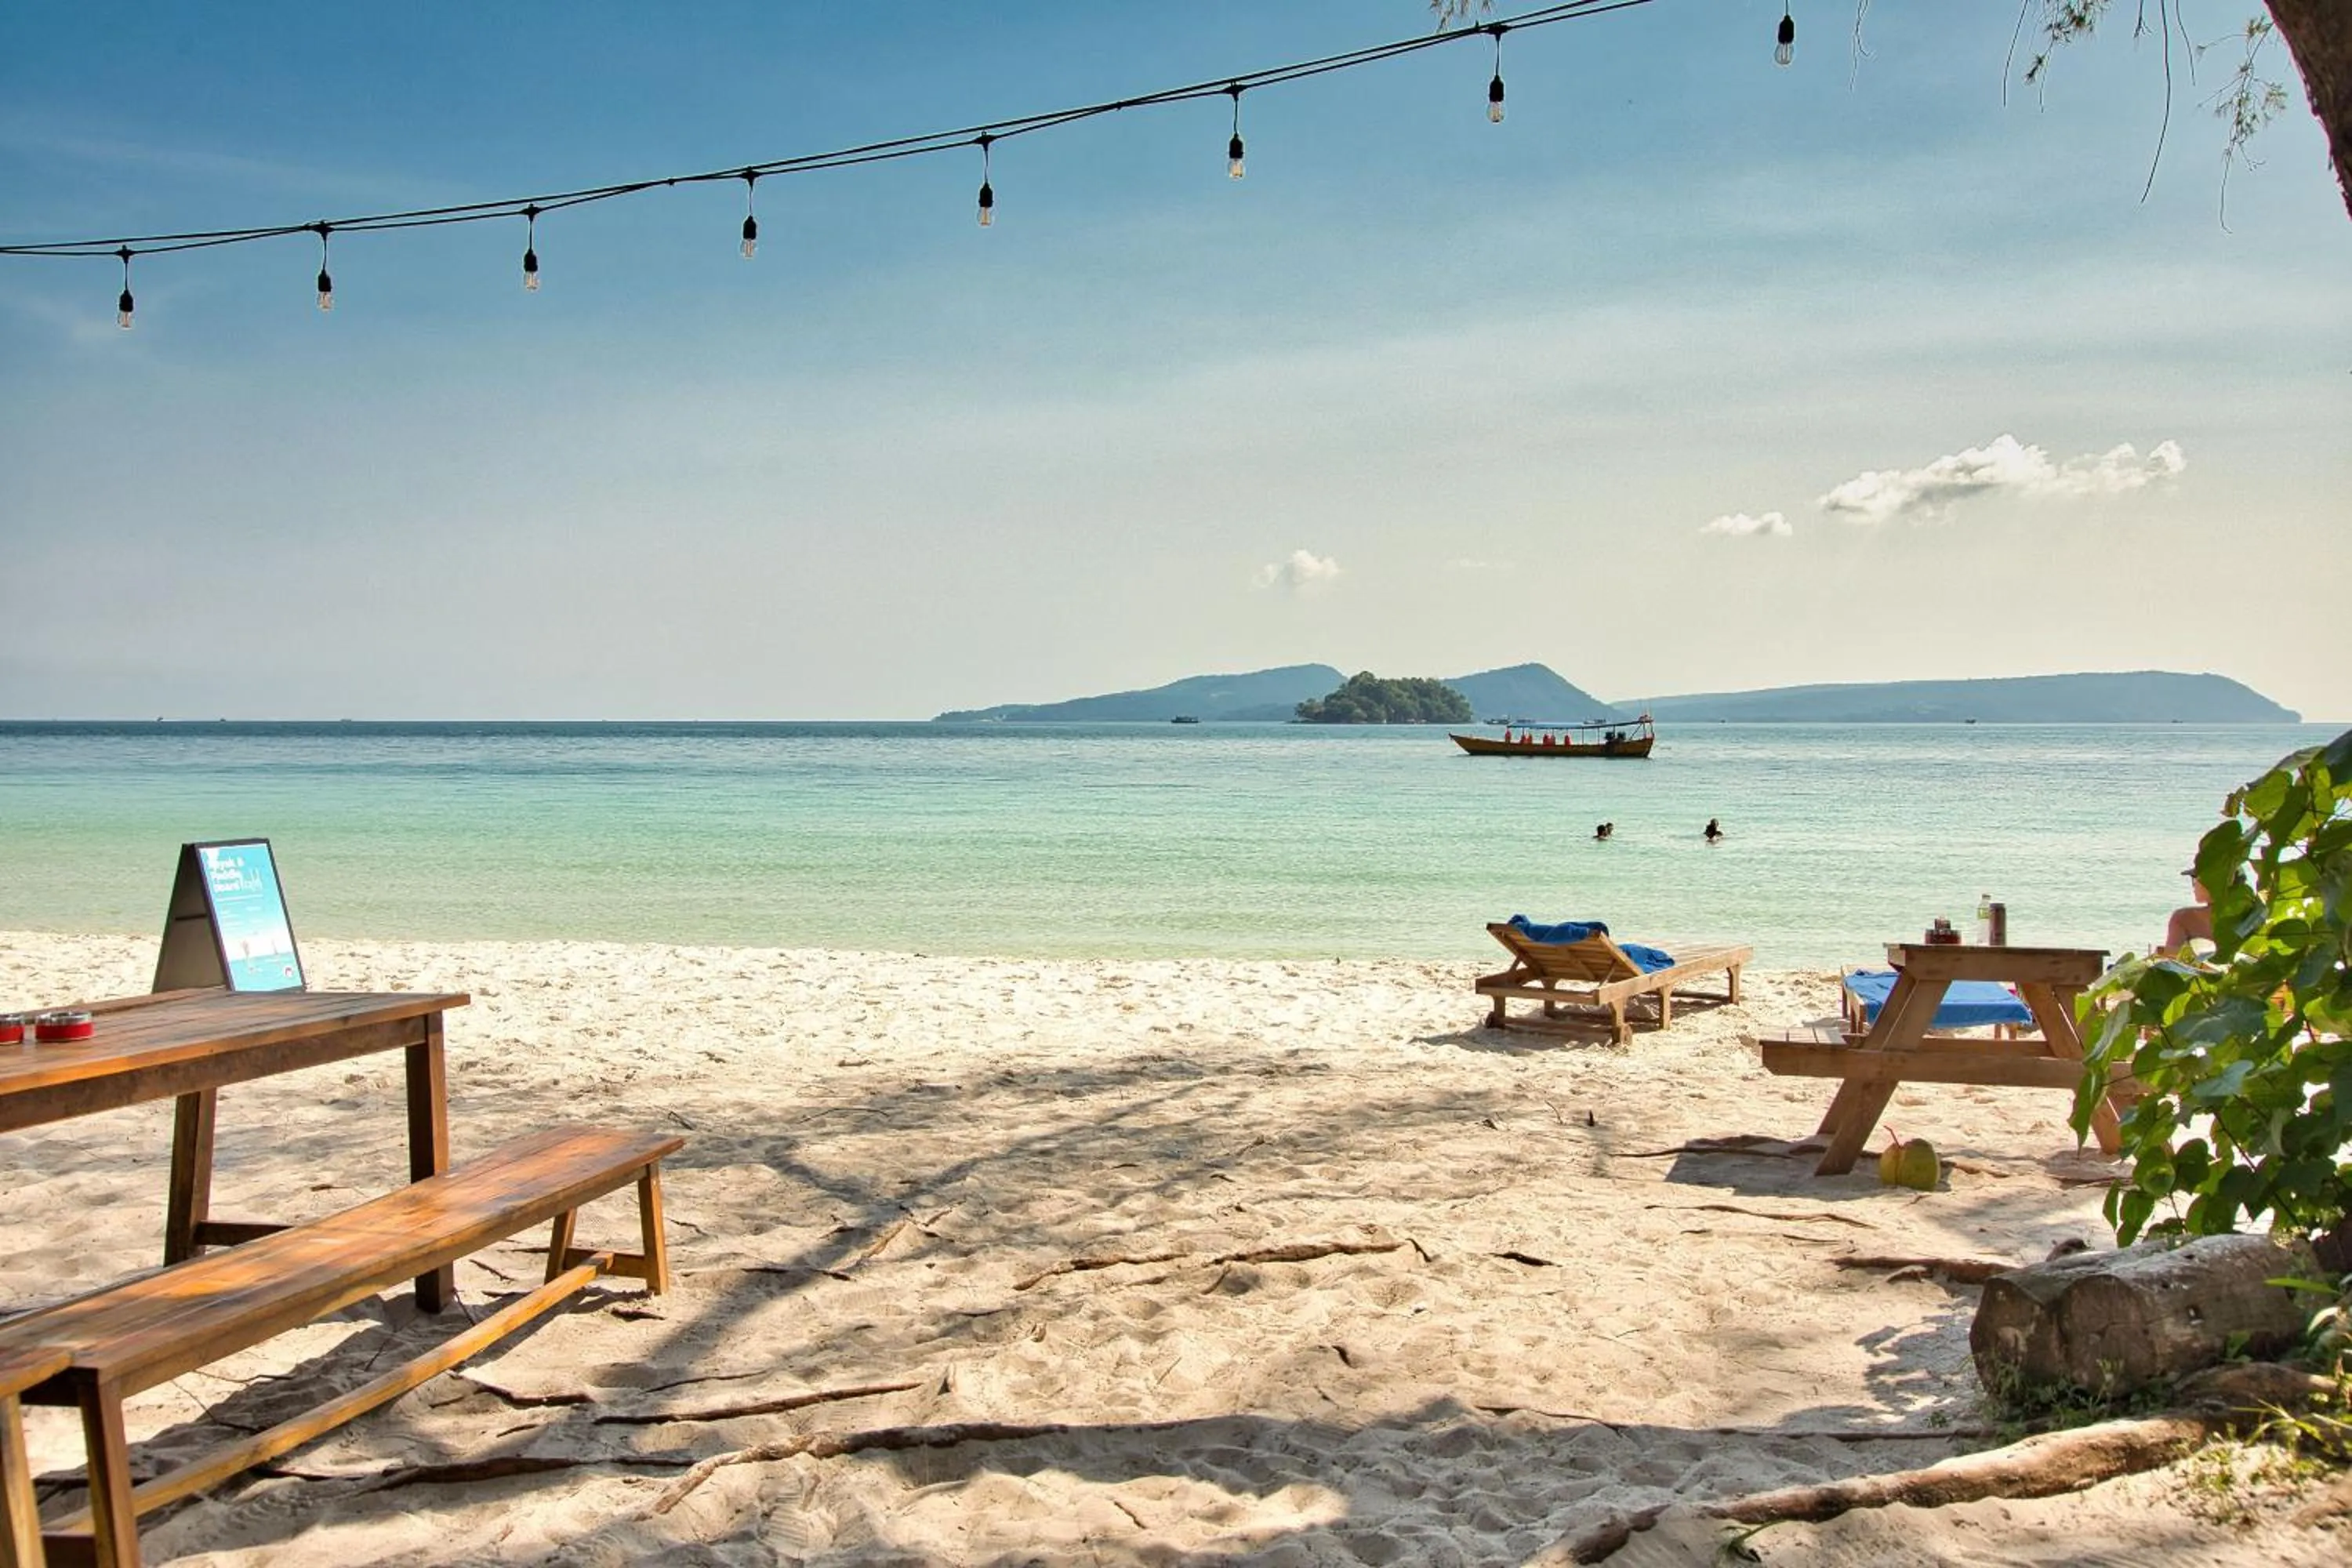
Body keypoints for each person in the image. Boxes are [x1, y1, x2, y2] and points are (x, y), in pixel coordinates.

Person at [2162, 871, 2213, 954]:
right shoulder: (2241, 917)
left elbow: (2171, 957)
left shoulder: (2184, 917)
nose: (2194, 885)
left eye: (2195, 879)